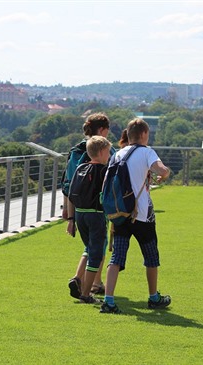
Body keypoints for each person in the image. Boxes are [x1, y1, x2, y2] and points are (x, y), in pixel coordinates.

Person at [100, 118, 171, 314]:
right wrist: (162, 175)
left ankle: (109, 300)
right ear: (144, 135)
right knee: (151, 256)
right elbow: (162, 170)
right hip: (142, 216)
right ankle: (153, 297)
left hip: (120, 214)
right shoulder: (147, 152)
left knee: (117, 257)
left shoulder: (117, 154)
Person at [62, 112, 115, 299]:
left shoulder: (76, 153)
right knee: (97, 248)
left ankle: (85, 280)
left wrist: (69, 214)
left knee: (90, 247)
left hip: (79, 210)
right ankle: (89, 287)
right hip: (96, 211)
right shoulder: (105, 157)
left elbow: (68, 185)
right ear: (101, 130)